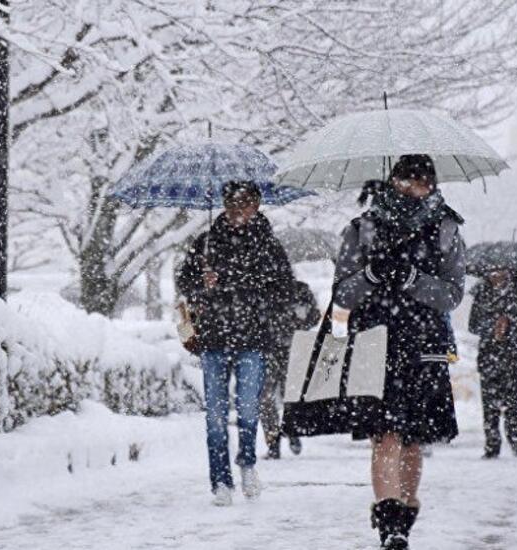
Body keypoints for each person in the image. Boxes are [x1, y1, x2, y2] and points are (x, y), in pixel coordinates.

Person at [334, 155, 465, 549]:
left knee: (412, 438)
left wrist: (412, 279)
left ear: (432, 184)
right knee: (385, 436)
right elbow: (342, 292)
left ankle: (404, 519)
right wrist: (372, 274)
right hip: (376, 344)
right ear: (392, 182)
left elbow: (452, 295)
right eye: (405, 182)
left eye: (421, 182)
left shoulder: (446, 228)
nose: (412, 190)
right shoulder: (363, 229)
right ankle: (389, 524)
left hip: (424, 345)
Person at [175, 180, 295, 507]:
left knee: (247, 410)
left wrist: (243, 286)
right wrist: (203, 282)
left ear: (256, 206)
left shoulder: (268, 246)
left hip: (252, 340)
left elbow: (286, 290)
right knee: (215, 416)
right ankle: (220, 481)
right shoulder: (207, 242)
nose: (237, 212)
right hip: (213, 339)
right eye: (231, 205)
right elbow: (184, 282)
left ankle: (247, 463)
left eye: (244, 205)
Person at [468, 271, 517, 459]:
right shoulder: (482, 294)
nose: (495, 275)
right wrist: (492, 328)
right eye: (492, 272)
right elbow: (473, 325)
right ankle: (492, 445)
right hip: (488, 358)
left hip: (512, 359)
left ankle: (515, 440)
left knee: (513, 403)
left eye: (500, 271)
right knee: (489, 406)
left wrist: (509, 327)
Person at [260, 279, 321, 459]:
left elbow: (314, 315)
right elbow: (314, 315)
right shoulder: (295, 288)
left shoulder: (296, 289)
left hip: (283, 347)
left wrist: (297, 324)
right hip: (277, 347)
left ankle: (282, 435)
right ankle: (279, 437)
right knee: (275, 395)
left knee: (275, 395)